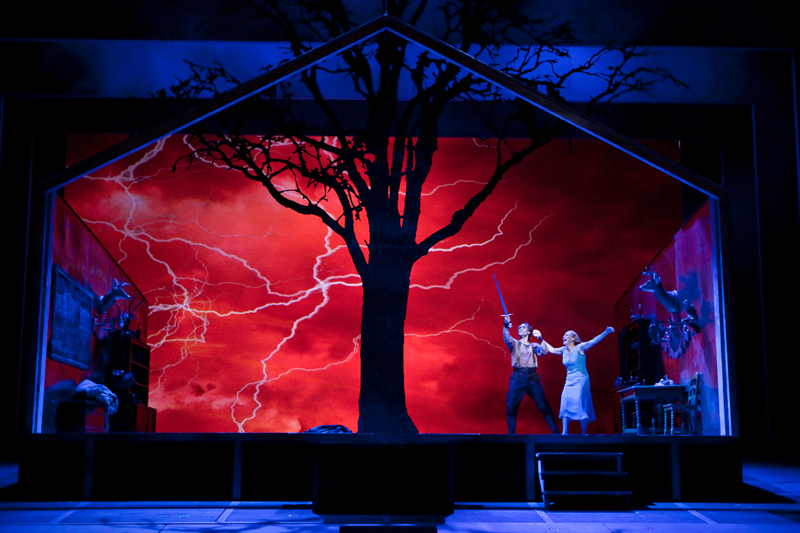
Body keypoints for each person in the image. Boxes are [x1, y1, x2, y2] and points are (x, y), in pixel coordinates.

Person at [540, 327, 614, 434]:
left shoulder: (580, 347)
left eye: (566, 335)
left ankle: (584, 432)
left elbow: (593, 341)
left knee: (579, 402)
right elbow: (551, 349)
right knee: (565, 400)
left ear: (573, 338)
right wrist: (541, 338)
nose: (563, 336)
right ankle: (565, 432)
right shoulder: (563, 350)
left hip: (581, 379)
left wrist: (606, 332)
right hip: (569, 380)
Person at [503, 316, 559, 434]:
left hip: (533, 377)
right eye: (519, 327)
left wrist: (541, 338)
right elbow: (506, 337)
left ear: (529, 332)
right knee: (511, 404)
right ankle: (511, 433)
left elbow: (544, 351)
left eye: (523, 327)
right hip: (518, 376)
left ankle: (555, 430)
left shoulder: (534, 346)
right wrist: (506, 325)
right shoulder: (515, 343)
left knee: (543, 404)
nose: (520, 328)